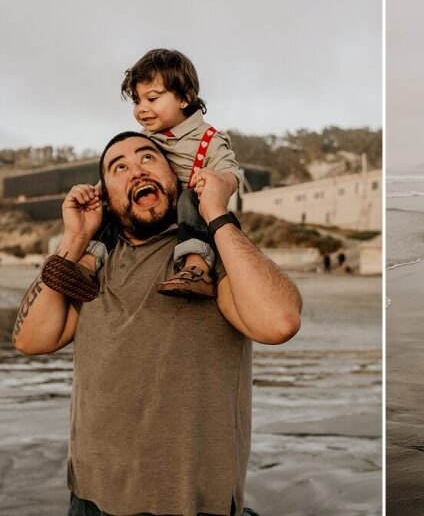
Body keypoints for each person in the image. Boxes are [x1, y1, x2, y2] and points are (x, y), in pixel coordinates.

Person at [12, 132, 302, 515]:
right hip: (89, 499)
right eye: (119, 167)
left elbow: (279, 322)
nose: (136, 171)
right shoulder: (91, 266)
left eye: (148, 158)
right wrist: (75, 236)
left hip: (190, 504)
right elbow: (30, 340)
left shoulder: (208, 260)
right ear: (105, 193)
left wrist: (216, 214)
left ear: (175, 175)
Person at [80, 48, 242, 300]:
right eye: (137, 101)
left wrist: (219, 182)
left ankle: (196, 267)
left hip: (190, 216)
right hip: (149, 212)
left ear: (184, 98)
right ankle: (89, 263)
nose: (141, 109)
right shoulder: (145, 137)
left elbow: (231, 172)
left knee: (191, 199)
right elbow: (119, 177)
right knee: (115, 203)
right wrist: (97, 192)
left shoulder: (209, 139)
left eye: (152, 98)